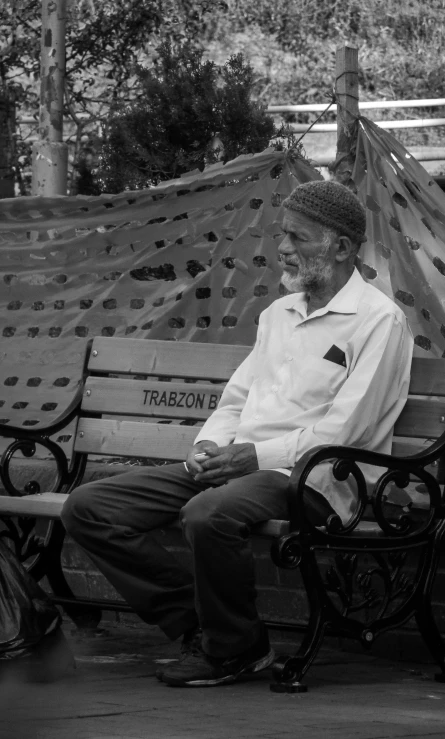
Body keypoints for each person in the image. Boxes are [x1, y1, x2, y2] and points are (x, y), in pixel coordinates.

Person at [61, 179, 414, 688]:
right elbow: (236, 400)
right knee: (90, 508)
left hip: (315, 478)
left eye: (299, 238)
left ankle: (234, 649)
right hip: (241, 468)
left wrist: (254, 457)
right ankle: (206, 628)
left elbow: (347, 431)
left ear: (341, 247)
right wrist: (208, 447)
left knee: (208, 513)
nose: (284, 249)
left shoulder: (379, 321)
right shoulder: (278, 315)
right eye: (282, 235)